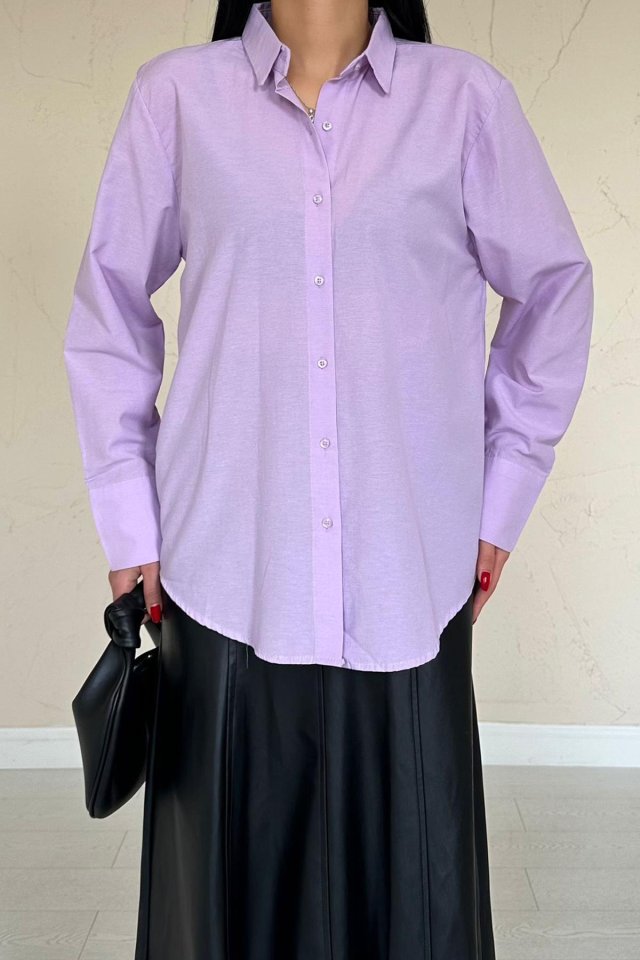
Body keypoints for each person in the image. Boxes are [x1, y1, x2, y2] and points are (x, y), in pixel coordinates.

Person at [63, 1, 594, 957]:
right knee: (221, 920)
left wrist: (502, 493)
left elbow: (554, 287)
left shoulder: (465, 102)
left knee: (416, 917)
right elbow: (109, 308)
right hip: (223, 582)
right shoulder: (175, 99)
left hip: (408, 589)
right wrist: (129, 523)